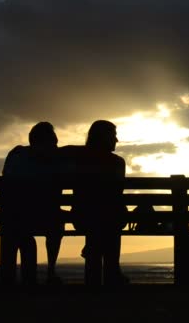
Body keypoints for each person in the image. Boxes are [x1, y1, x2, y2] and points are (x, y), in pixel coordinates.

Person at [62, 120, 128, 286]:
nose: (117, 140)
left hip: (83, 218)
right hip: (111, 219)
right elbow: (116, 195)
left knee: (101, 222)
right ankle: (113, 272)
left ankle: (93, 254)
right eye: (113, 136)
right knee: (110, 217)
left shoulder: (77, 158)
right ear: (103, 138)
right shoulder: (117, 163)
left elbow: (55, 152)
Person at [2, 122, 65, 285]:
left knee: (24, 233)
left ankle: (10, 280)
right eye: (54, 143)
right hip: (40, 219)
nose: (56, 147)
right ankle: (51, 270)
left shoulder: (15, 155)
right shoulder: (52, 164)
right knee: (57, 221)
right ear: (46, 143)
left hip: (11, 218)